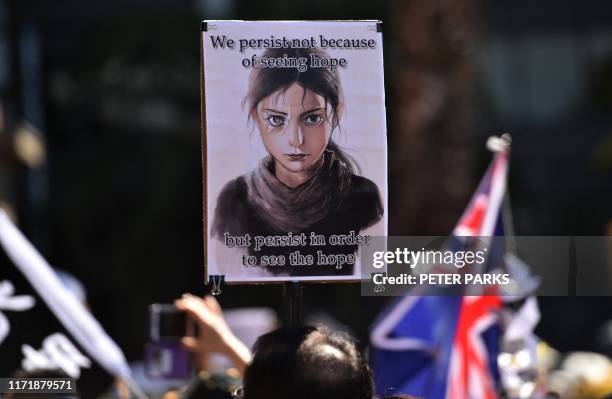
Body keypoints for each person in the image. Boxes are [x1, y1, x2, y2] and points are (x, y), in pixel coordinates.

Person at [211, 46, 384, 277]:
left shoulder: (362, 197)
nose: (295, 139)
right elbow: (227, 286)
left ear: (336, 113)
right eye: (275, 119)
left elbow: (376, 282)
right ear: (255, 116)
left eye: (312, 118)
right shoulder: (235, 199)